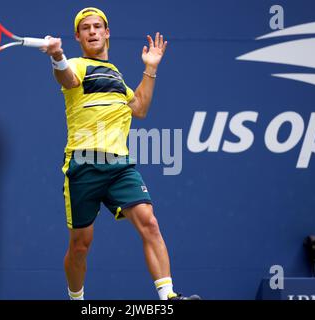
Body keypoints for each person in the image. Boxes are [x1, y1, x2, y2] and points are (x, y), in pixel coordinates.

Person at [43, 7, 200, 300]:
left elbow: (138, 107)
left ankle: (168, 297)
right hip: (84, 164)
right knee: (80, 245)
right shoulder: (76, 64)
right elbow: (68, 80)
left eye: (97, 26)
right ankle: (76, 299)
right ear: (78, 36)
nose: (92, 31)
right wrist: (57, 57)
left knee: (149, 222)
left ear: (106, 33)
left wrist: (150, 68)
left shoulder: (115, 75)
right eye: (86, 28)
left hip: (119, 166)